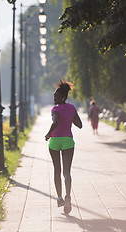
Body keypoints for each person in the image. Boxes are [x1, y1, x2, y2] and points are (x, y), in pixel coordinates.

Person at [45, 81, 83, 214]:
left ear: (62, 97)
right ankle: (68, 196)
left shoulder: (55, 110)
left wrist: (48, 134)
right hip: (68, 141)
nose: (54, 99)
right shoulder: (71, 108)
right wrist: (69, 118)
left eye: (56, 97)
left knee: (57, 170)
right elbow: (79, 124)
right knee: (67, 172)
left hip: (55, 142)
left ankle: (60, 198)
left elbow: (55, 123)